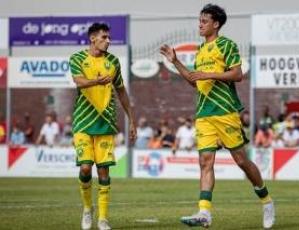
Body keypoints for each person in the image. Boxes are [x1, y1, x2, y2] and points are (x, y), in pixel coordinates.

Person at [160, 4, 275, 229]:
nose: (200, 24)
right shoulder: (200, 51)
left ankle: (267, 201)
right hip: (204, 113)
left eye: (204, 21)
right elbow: (195, 81)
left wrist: (209, 73)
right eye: (199, 20)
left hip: (226, 112)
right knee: (205, 162)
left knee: (241, 161)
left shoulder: (226, 45)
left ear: (216, 24)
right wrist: (175, 61)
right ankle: (205, 212)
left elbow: (238, 74)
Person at [69, 23, 137, 230]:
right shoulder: (77, 58)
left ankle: (103, 218)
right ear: (92, 38)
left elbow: (122, 92)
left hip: (106, 124)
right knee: (86, 167)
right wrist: (96, 82)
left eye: (109, 37)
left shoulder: (113, 62)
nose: (108, 41)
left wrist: (132, 120)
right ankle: (88, 209)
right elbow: (78, 81)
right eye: (104, 37)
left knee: (105, 172)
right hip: (83, 122)